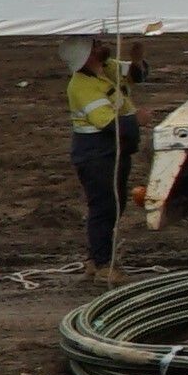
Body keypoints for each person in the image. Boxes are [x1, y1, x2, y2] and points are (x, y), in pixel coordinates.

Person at [64, 39, 134, 268]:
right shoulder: (82, 87)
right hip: (96, 154)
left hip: (109, 152)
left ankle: (97, 257)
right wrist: (136, 120)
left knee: (113, 205)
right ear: (86, 57)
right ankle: (102, 264)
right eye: (94, 46)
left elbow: (131, 73)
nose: (101, 46)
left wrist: (138, 61)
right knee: (104, 207)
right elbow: (107, 122)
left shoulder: (105, 68)